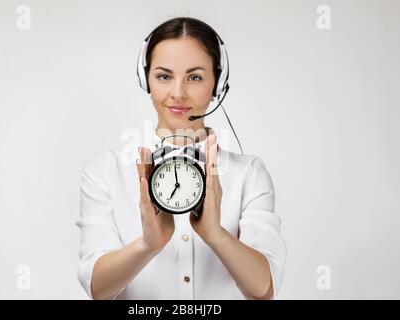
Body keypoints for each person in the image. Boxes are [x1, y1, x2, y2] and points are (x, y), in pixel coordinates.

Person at [76, 17, 287, 300]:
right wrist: (148, 245)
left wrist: (216, 234)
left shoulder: (248, 173)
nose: (178, 93)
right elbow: (98, 290)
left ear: (217, 84)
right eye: (164, 76)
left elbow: (264, 289)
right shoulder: (105, 171)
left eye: (195, 77)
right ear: (146, 79)